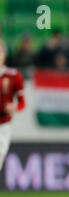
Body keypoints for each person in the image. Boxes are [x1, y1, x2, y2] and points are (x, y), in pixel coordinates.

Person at [0, 39, 25, 171]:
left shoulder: (13, 76)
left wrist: (14, 108)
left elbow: (22, 103)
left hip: (3, 126)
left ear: (4, 55)